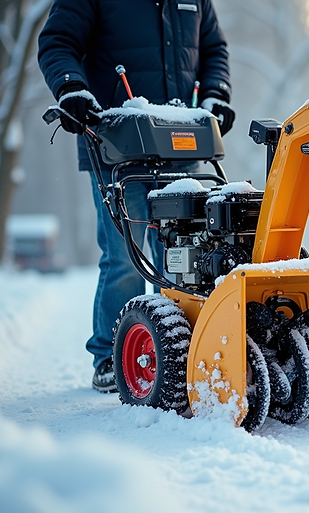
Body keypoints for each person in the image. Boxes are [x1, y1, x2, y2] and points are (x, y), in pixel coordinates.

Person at [37, 0, 234, 392]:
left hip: (180, 143)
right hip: (115, 145)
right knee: (125, 257)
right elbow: (57, 41)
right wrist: (71, 86)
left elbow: (214, 49)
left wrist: (216, 93)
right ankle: (112, 355)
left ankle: (182, 351)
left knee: (182, 256)